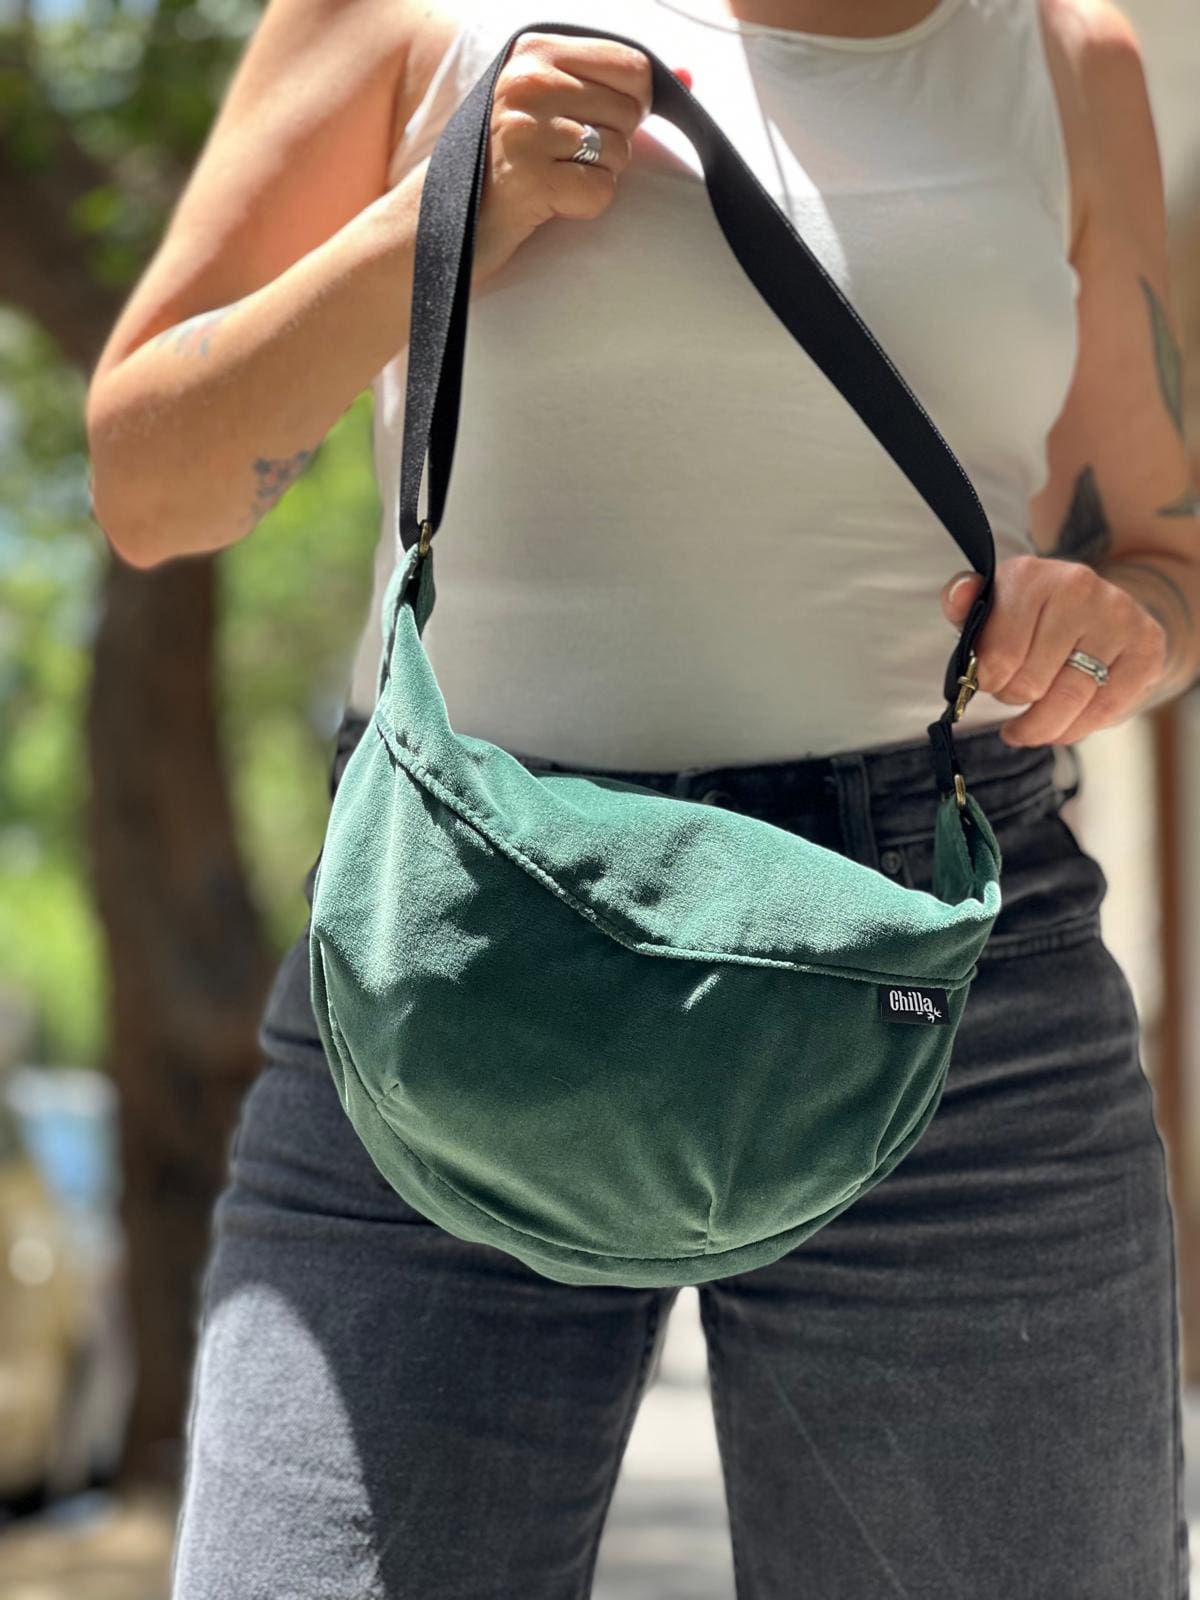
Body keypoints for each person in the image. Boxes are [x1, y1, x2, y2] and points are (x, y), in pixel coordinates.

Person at [85, 0, 1199, 1593]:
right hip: (451, 948)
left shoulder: (1064, 60)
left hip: (951, 983)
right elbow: (146, 485)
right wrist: (436, 218)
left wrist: (1121, 622)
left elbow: (1160, 549)